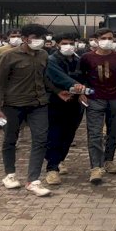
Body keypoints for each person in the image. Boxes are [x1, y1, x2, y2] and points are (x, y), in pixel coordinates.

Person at [0, 24, 60, 197]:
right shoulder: (8, 56)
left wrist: (60, 92)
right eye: (34, 37)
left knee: (41, 139)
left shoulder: (43, 54)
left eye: (41, 37)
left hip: (38, 104)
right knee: (10, 139)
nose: (38, 41)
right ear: (24, 38)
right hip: (13, 105)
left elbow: (45, 79)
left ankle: (33, 180)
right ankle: (10, 175)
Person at [79, 28, 116, 184]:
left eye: (110, 38)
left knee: (113, 131)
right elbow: (81, 77)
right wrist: (82, 92)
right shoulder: (87, 57)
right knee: (94, 133)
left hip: (115, 99)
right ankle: (96, 167)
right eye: (104, 38)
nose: (107, 41)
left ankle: (109, 160)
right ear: (97, 39)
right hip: (94, 98)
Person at [44, 32, 85, 185]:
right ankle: (52, 169)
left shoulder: (78, 60)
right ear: (57, 44)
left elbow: (85, 77)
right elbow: (57, 77)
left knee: (69, 135)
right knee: (55, 134)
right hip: (56, 101)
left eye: (71, 43)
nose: (68, 46)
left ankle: (59, 160)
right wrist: (77, 87)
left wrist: (82, 90)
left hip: (75, 102)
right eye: (65, 43)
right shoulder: (51, 60)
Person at [0, 28, 22, 128]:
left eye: (18, 36)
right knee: (2, 104)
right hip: (3, 83)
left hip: (20, 85)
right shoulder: (0, 51)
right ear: (7, 38)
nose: (16, 39)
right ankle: (2, 122)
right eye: (13, 36)